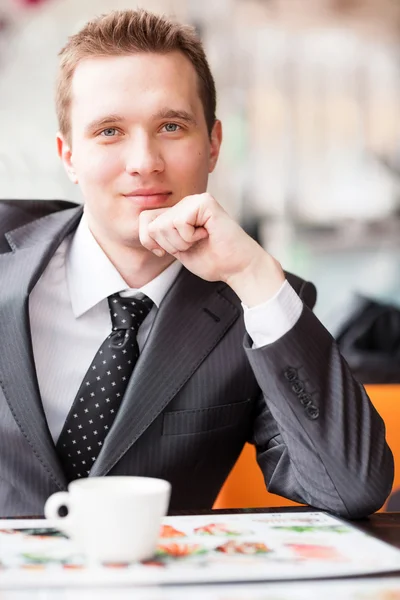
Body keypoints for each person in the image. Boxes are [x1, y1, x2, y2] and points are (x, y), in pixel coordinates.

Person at [0, 9, 393, 518]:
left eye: (170, 125)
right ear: (68, 155)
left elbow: (349, 489)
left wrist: (253, 277)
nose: (144, 160)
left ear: (213, 145)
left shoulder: (255, 305)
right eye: (109, 131)